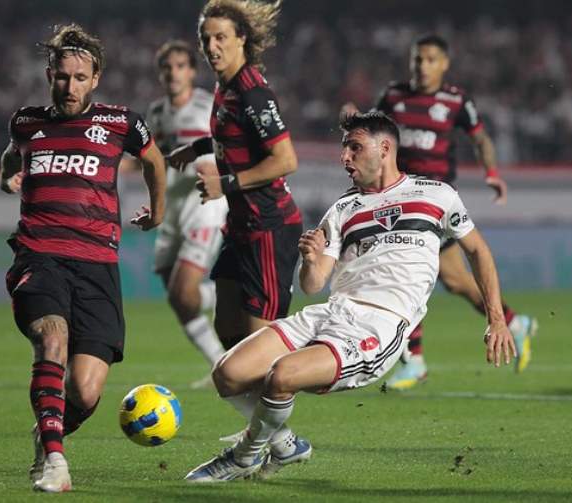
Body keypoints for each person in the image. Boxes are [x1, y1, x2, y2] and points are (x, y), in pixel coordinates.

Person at [183, 111, 516, 482]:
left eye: (355, 148)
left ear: (385, 148)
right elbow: (313, 284)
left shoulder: (437, 195)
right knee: (227, 373)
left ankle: (244, 457)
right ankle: (286, 444)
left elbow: (478, 252)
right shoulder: (343, 209)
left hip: (379, 323)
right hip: (330, 312)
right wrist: (310, 260)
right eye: (344, 150)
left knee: (282, 375)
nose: (345, 158)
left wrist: (497, 319)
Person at [0, 24, 166, 492]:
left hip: (97, 266)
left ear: (95, 78)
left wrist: (158, 212)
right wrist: (6, 177)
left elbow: (155, 160)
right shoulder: (27, 122)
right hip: (39, 255)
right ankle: (56, 462)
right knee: (52, 337)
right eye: (61, 77)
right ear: (50, 74)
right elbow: (13, 157)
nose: (69, 87)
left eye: (79, 78)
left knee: (87, 392)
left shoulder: (122, 123)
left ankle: (47, 432)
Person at [344, 34, 537, 390]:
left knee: (406, 267)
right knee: (454, 280)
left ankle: (414, 360)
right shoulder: (393, 95)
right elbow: (372, 131)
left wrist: (492, 173)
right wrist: (355, 120)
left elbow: (480, 138)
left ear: (444, 64)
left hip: (435, 202)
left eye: (430, 59)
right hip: (400, 198)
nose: (422, 66)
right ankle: (514, 322)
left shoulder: (456, 100)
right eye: (418, 59)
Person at [168, 0, 302, 352]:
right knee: (228, 330)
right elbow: (231, 134)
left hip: (269, 226)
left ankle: (302, 379)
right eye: (206, 38)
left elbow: (286, 159)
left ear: (241, 38)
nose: (212, 47)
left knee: (262, 348)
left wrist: (224, 184)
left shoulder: (251, 93)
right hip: (241, 224)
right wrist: (196, 150)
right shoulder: (224, 87)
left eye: (221, 37)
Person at [145, 40, 228, 388]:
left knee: (183, 293)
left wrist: (218, 177)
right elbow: (153, 161)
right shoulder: (156, 113)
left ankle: (224, 297)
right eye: (168, 67)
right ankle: (218, 362)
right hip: (174, 208)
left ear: (192, 71)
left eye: (181, 66)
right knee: (174, 291)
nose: (174, 73)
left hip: (204, 206)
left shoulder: (208, 106)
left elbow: (224, 149)